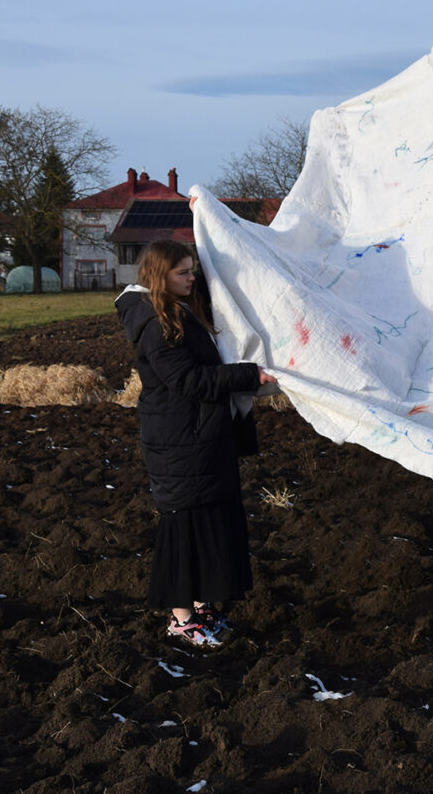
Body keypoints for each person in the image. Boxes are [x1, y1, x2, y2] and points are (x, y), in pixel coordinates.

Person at [116, 238, 276, 648]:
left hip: (201, 438)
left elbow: (218, 277)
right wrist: (247, 376)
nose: (192, 278)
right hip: (177, 441)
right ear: (159, 276)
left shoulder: (180, 308)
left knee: (212, 523)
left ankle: (201, 607)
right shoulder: (155, 323)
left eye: (192, 270)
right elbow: (189, 381)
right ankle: (181, 618)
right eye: (183, 272)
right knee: (184, 525)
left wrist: (206, 219)